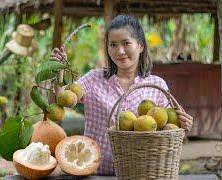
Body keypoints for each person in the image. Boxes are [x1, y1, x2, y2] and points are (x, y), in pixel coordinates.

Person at [50, 14, 193, 175]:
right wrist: (58, 73)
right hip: (96, 172)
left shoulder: (157, 85)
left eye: (126, 43)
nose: (120, 51)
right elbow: (65, 99)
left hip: (139, 174)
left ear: (140, 46)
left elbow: (168, 128)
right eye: (113, 45)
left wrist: (184, 124)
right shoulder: (94, 79)